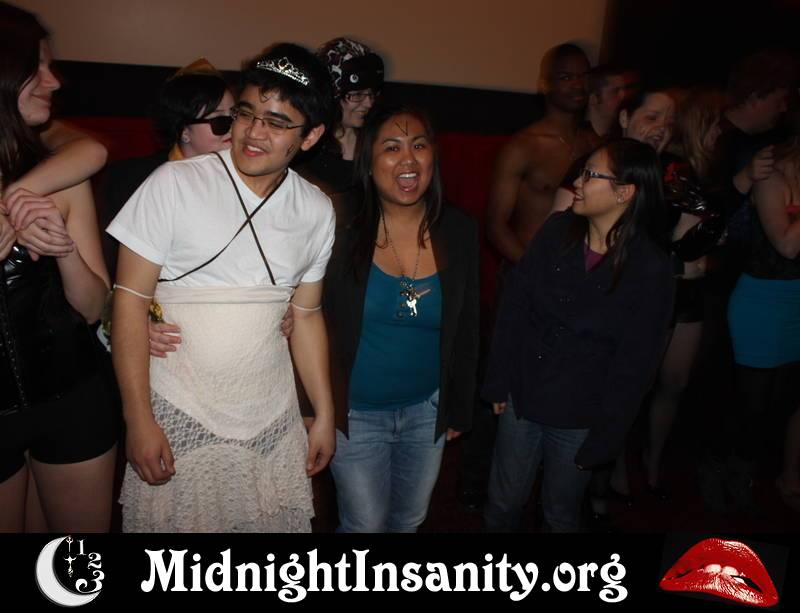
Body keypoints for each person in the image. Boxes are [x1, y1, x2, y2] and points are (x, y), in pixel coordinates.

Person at [107, 43, 336, 532]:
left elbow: (307, 315)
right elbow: (128, 303)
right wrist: (138, 419)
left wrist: (323, 411)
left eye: (277, 122)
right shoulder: (173, 183)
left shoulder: (317, 209)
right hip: (179, 411)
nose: (253, 132)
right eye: (246, 113)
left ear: (312, 135)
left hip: (273, 419)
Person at [483, 138, 674, 532]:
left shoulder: (650, 267)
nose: (578, 183)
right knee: (503, 505)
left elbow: (637, 364)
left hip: (581, 414)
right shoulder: (557, 231)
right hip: (525, 393)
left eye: (590, 175)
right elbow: (514, 307)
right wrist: (499, 380)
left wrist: (606, 436)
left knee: (560, 515)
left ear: (624, 192)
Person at [323, 105, 479, 532]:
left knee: (409, 521)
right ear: (369, 162)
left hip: (426, 411)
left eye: (419, 146)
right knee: (364, 525)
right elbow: (308, 320)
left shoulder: (459, 228)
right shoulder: (338, 225)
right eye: (391, 148)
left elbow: (468, 326)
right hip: (354, 414)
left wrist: (458, 408)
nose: (408, 160)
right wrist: (311, 408)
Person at [0, 2, 117, 532]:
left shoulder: (58, 173)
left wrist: (63, 249)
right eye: (39, 68)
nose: (54, 81)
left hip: (74, 396)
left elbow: (95, 309)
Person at [98, 59, 235, 278]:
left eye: (236, 116)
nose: (234, 128)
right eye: (220, 121)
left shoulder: (249, 178)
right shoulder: (132, 179)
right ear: (184, 131)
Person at [725, 132, 800, 512]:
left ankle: (782, 476)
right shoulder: (771, 172)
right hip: (762, 301)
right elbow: (787, 245)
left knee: (789, 400)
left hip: (797, 301)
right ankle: (731, 473)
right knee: (754, 405)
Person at [487, 43, 599, 265]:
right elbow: (495, 226)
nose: (578, 84)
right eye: (566, 77)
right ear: (544, 84)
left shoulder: (595, 144)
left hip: (581, 271)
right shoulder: (524, 147)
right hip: (530, 267)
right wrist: (534, 272)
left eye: (584, 76)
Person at [297, 37, 384, 196]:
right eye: (357, 95)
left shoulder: (376, 143)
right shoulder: (308, 149)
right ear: (333, 97)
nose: (369, 103)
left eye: (371, 94)